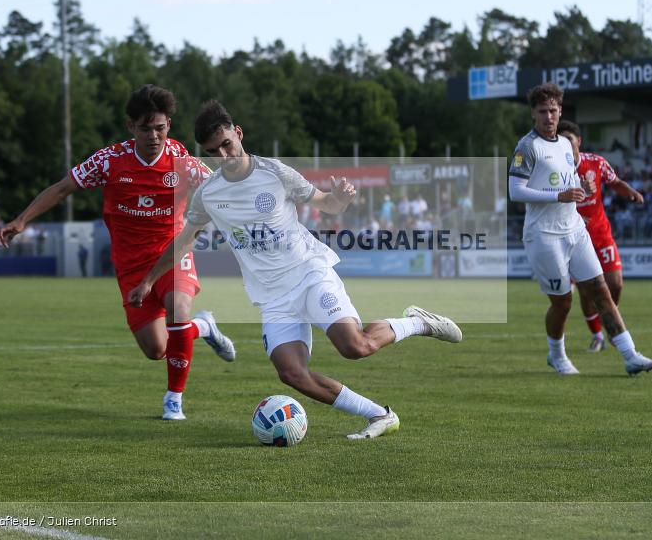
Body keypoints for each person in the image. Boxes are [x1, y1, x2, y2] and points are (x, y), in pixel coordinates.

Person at [129, 99, 463, 440]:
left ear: (238, 134)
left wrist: (340, 198)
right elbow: (184, 241)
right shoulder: (209, 194)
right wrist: (148, 281)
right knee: (291, 373)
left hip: (309, 274)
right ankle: (380, 415)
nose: (223, 156)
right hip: (272, 297)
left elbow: (326, 204)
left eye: (227, 144)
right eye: (213, 152)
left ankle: (418, 322)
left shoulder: (275, 172)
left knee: (355, 347)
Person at [0, 84, 236, 421]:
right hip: (130, 266)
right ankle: (205, 327)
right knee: (157, 350)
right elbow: (63, 188)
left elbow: (221, 194)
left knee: (178, 310)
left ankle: (174, 401)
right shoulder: (109, 161)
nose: (154, 136)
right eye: (146, 128)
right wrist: (22, 219)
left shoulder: (183, 161)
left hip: (171, 255)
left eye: (161, 127)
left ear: (169, 125)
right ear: (131, 127)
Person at [507, 83, 652, 376]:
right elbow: (516, 191)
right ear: (533, 114)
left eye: (553, 110)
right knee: (563, 302)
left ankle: (630, 356)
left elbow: (568, 184)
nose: (548, 116)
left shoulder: (565, 145)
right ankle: (557, 355)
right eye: (542, 111)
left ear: (560, 111)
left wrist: (583, 186)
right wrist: (559, 196)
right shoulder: (527, 147)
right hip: (544, 236)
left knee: (601, 289)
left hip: (575, 230)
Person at [557, 120, 646, 352]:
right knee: (587, 290)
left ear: (579, 142)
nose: (566, 144)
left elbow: (614, 182)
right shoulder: (554, 169)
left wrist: (631, 192)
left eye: (570, 140)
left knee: (615, 284)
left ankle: (608, 318)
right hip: (572, 238)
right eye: (562, 140)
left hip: (600, 234)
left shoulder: (595, 162)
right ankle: (597, 335)